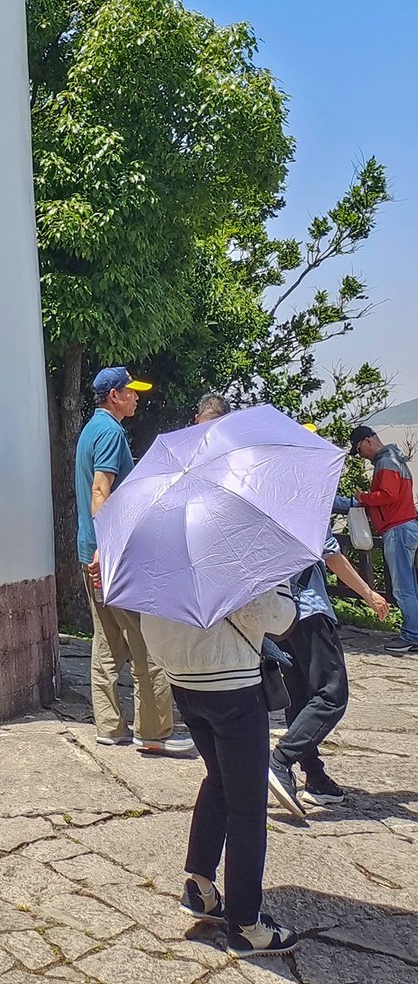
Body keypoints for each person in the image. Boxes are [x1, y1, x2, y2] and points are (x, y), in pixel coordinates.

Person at [142, 583, 300, 957]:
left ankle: (200, 888)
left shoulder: (162, 551)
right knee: (247, 805)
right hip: (232, 682)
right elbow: (274, 617)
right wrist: (289, 598)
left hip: (182, 679)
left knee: (218, 778)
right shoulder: (241, 551)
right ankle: (246, 925)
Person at [76, 366, 192, 755]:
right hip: (113, 558)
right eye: (131, 391)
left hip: (89, 551)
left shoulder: (91, 429)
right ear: (114, 396)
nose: (137, 397)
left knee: (107, 641)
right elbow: (100, 490)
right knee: (148, 642)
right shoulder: (110, 432)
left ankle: (110, 727)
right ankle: (154, 732)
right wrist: (108, 548)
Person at [268, 528, 390, 817]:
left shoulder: (262, 510)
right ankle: (281, 759)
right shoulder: (306, 507)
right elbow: (331, 554)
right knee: (332, 695)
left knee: (300, 697)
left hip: (279, 615)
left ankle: (316, 777)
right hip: (309, 609)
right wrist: (368, 593)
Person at [347, 426, 418, 655]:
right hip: (406, 525)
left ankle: (412, 635)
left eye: (359, 449)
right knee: (410, 585)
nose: (361, 455)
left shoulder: (386, 461)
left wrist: (363, 497)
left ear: (368, 441)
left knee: (403, 587)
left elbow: (388, 495)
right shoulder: (396, 459)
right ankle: (413, 632)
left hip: (397, 529)